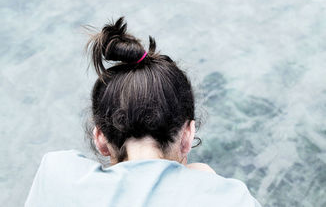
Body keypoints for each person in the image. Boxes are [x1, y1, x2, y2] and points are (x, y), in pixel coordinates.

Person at [25, 17, 261, 207]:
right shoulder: (231, 199)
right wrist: (206, 179)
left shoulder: (56, 176)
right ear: (188, 135)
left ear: (100, 139)